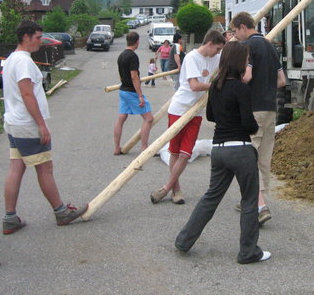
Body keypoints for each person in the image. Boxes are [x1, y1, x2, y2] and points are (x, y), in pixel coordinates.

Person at [175, 41, 271, 264]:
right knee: (249, 201)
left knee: (211, 197)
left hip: (218, 150)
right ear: (239, 61)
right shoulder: (241, 88)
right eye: (245, 59)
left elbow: (210, 116)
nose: (247, 62)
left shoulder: (215, 86)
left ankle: (183, 240)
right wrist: (254, 127)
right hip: (240, 150)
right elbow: (248, 124)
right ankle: (248, 252)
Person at [2, 20, 87, 234]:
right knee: (45, 168)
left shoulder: (12, 59)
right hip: (27, 125)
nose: (41, 42)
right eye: (38, 37)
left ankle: (10, 218)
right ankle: (61, 212)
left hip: (14, 123)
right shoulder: (23, 62)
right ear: (26, 37)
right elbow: (27, 93)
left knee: (16, 168)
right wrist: (41, 124)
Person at [150, 30, 225, 204]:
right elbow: (194, 85)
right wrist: (217, 87)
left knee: (186, 153)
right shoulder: (192, 58)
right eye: (218, 48)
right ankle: (176, 190)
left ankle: (166, 187)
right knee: (175, 152)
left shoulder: (217, 58)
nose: (219, 52)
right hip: (179, 109)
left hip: (196, 112)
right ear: (210, 44)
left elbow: (229, 57)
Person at [231, 12, 286, 225]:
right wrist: (265, 88)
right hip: (271, 108)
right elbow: (281, 80)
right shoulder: (270, 46)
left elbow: (247, 76)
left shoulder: (248, 47)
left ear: (243, 26)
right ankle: (249, 199)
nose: (235, 36)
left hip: (254, 109)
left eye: (235, 32)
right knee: (263, 157)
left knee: (248, 158)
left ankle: (260, 205)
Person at [113, 32, 154, 155]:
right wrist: (140, 96)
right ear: (137, 41)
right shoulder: (132, 56)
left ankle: (116, 148)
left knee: (121, 119)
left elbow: (121, 76)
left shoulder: (121, 55)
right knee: (149, 119)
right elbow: (134, 76)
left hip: (123, 91)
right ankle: (144, 147)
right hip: (131, 92)